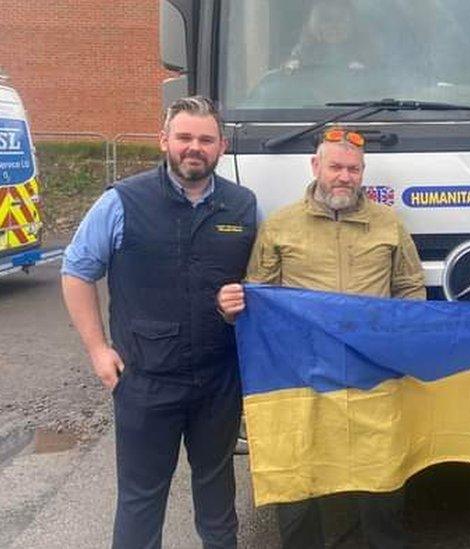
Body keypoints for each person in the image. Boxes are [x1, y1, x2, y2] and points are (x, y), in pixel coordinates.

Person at [61, 96, 257, 548]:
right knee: (141, 500)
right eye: (184, 137)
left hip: (218, 381)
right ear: (164, 140)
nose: (195, 147)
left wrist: (242, 300)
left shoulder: (244, 208)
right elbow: (76, 272)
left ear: (221, 146)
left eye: (205, 139)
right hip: (145, 380)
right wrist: (97, 349)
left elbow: (264, 282)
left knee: (217, 496)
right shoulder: (122, 202)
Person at [217, 127, 424, 549]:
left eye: (353, 169)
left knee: (381, 482)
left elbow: (410, 289)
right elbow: (259, 295)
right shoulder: (279, 226)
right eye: (335, 167)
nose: (344, 177)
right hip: (302, 376)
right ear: (316, 167)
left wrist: (401, 341)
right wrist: (232, 308)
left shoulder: (389, 225)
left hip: (372, 376)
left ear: (362, 173)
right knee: (298, 483)